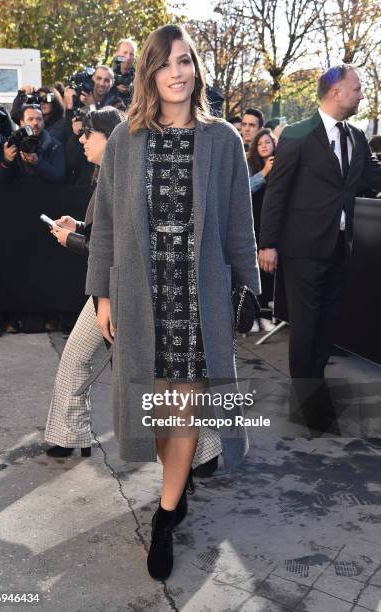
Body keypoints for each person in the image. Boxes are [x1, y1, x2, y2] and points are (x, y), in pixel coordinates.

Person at [86, 24, 260, 581]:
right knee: (157, 407)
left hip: (195, 292)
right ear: (149, 75)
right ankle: (174, 487)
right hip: (143, 292)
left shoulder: (224, 140)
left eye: (185, 61)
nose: (176, 73)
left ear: (196, 70)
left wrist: (247, 288)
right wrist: (103, 294)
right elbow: (107, 223)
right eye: (164, 64)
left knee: (183, 405)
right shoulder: (125, 140)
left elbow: (238, 221)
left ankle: (164, 518)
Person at [259, 64, 381, 426]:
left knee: (327, 325)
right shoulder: (298, 133)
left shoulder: (358, 137)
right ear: (336, 92)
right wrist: (267, 243)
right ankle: (306, 401)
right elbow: (276, 193)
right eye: (357, 88)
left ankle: (316, 391)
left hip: (340, 248)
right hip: (303, 248)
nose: (362, 94)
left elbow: (373, 176)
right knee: (307, 326)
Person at [44, 107, 125, 457]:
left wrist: (71, 240)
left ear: (110, 138)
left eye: (88, 133)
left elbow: (117, 245)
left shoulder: (121, 177)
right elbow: (106, 234)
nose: (80, 139)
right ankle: (70, 436)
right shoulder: (110, 174)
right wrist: (77, 226)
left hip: (120, 291)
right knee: (77, 358)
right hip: (107, 290)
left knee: (157, 375)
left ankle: (204, 450)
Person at [248, 128, 276, 332]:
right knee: (255, 268)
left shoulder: (281, 164)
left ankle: (266, 314)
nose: (264, 145)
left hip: (271, 223)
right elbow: (245, 189)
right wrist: (264, 172)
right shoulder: (249, 165)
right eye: (260, 143)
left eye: (268, 142)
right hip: (253, 222)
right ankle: (254, 314)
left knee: (269, 272)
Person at [0, 104, 65, 184]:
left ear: (43, 122)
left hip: (46, 194)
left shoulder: (54, 145)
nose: (35, 123)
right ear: (22, 122)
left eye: (39, 119)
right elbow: (0, 180)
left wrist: (37, 162)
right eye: (30, 119)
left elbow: (60, 179)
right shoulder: (13, 143)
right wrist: (7, 160)